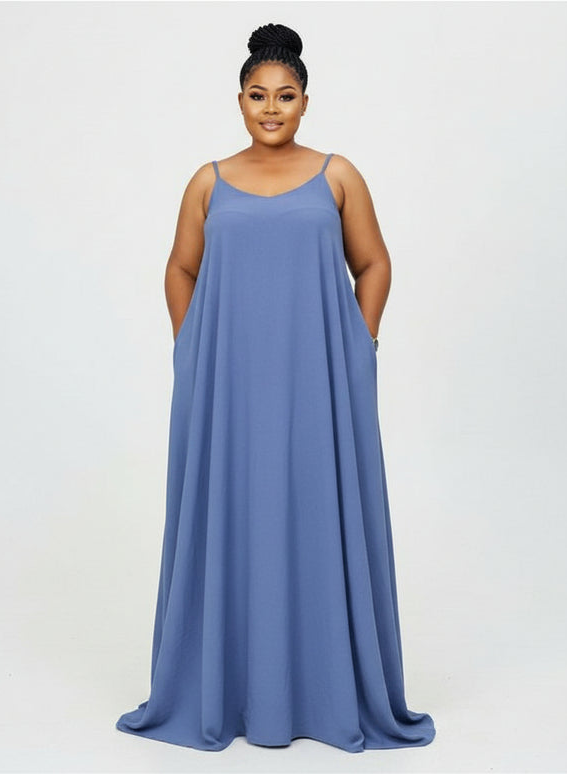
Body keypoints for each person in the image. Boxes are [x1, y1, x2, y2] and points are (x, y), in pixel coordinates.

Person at [116, 21, 436, 753]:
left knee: (317, 508)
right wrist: (191, 344)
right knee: (230, 509)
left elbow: (374, 263)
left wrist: (359, 342)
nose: (270, 108)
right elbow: (179, 267)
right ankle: (224, 689)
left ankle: (322, 691)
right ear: (238, 101)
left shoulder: (337, 175)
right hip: (226, 382)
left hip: (319, 377)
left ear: (305, 102)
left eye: (285, 96)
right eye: (257, 95)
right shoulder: (208, 180)